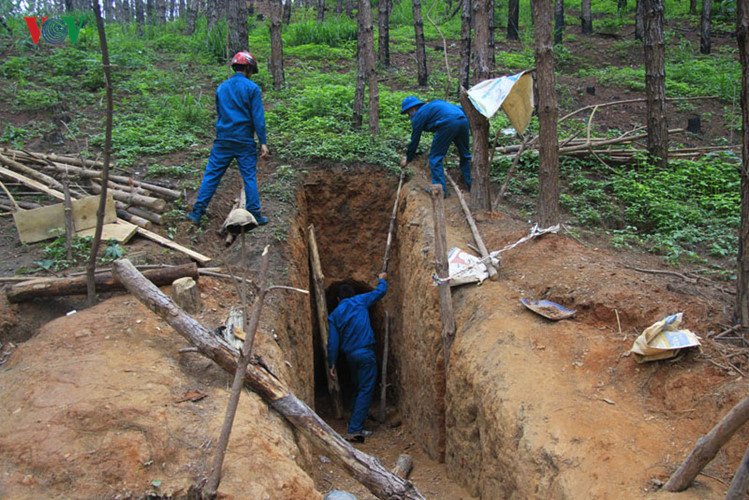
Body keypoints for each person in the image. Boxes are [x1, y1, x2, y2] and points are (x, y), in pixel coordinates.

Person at [187, 51, 270, 225]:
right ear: (248, 68)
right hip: (244, 140)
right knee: (249, 176)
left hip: (223, 139)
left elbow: (220, 113)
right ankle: (255, 213)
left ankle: (196, 213)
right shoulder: (252, 88)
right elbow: (258, 118)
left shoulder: (222, 87)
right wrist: (262, 142)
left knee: (211, 175)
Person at [328, 273, 388, 442]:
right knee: (365, 388)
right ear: (354, 295)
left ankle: (355, 418)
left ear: (339, 299)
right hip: (365, 353)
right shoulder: (360, 300)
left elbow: (333, 342)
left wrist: (331, 362)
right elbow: (380, 292)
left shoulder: (334, 315)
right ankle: (355, 428)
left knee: (358, 386)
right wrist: (382, 279)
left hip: (350, 357)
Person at [399, 96, 472, 196]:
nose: (409, 116)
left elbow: (414, 140)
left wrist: (408, 158)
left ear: (412, 109)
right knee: (465, 156)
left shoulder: (419, 115)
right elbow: (459, 109)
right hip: (463, 120)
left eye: (408, 113)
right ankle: (472, 186)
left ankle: (440, 191)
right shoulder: (434, 105)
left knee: (435, 158)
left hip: (448, 123)